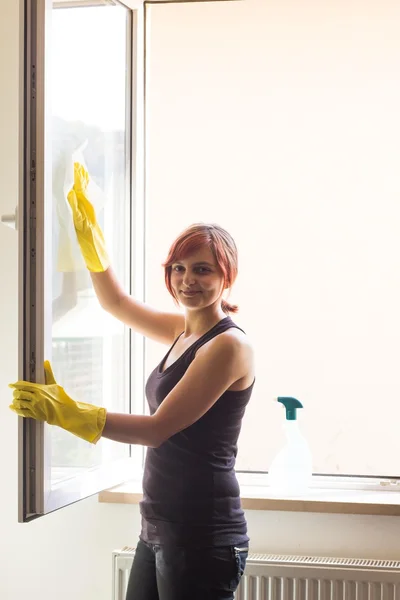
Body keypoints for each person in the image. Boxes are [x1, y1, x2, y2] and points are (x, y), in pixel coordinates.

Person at [10, 163, 255, 600]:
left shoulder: (227, 347)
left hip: (202, 533)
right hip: (159, 526)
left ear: (226, 277)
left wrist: (70, 414)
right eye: (178, 268)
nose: (187, 280)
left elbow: (158, 428)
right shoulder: (184, 331)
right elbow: (117, 304)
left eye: (202, 270)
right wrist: (89, 237)